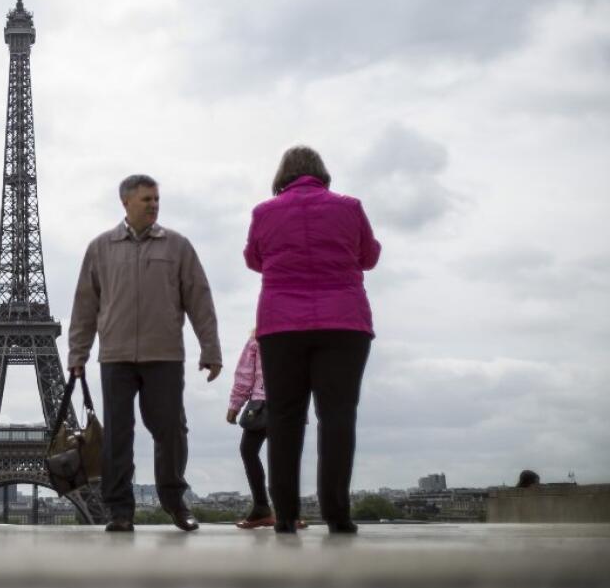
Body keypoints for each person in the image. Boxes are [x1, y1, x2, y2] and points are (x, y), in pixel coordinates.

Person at [69, 174, 223, 533]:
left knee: (170, 430)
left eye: (156, 199)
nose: (154, 204)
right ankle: (119, 510)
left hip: (164, 354)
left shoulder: (177, 246)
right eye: (146, 199)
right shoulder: (100, 248)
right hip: (116, 355)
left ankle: (173, 500)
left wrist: (211, 348)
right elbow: (84, 306)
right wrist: (78, 354)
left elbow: (199, 299)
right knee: (118, 435)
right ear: (125, 202)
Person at [244, 146, 380, 534]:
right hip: (344, 323)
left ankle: (285, 515)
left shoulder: (264, 212)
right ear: (322, 172)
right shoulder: (350, 207)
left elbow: (254, 259)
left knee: (285, 420)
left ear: (282, 175)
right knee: (337, 418)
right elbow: (368, 256)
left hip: (281, 324)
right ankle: (338, 514)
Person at [226, 330, 274, 528]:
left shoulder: (259, 335)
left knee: (248, 451)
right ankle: (289, 510)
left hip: (261, 402)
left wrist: (235, 405)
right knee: (284, 456)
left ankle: (262, 507)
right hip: (288, 401)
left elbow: (245, 373)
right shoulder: (301, 332)